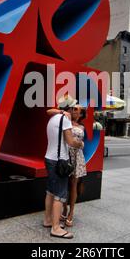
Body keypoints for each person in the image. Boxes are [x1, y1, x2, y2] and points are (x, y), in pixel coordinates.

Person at [43, 96, 84, 239]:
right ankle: (55, 228)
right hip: (59, 161)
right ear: (70, 108)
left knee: (50, 191)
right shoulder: (64, 119)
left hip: (49, 157)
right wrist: (80, 144)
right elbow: (70, 141)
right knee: (60, 194)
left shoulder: (53, 118)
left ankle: (48, 220)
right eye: (74, 108)